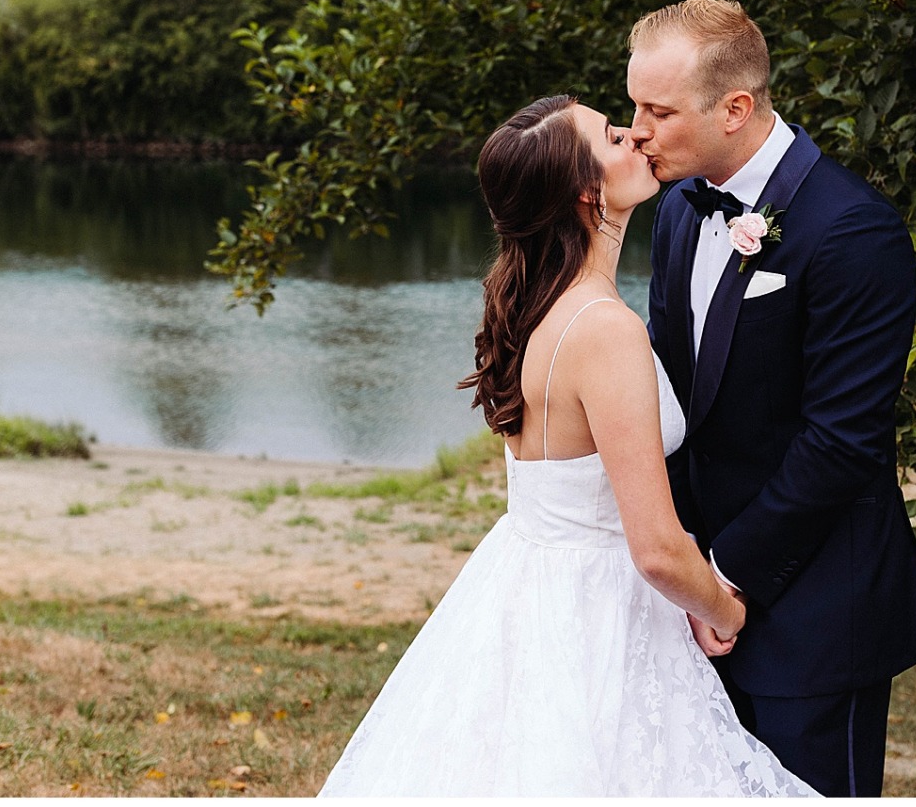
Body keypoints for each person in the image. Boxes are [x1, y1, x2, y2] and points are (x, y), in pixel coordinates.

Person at [318, 93, 816, 796]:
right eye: (616, 135)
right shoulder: (603, 329)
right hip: (601, 612)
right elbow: (656, 545)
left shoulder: (538, 306)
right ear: (588, 190)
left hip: (530, 588)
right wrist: (725, 609)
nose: (638, 135)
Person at [627, 0, 916, 798]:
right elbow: (672, 399)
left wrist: (724, 578)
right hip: (694, 609)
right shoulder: (674, 211)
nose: (636, 130)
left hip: (817, 610)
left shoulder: (853, 230)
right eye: (633, 106)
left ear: (736, 108)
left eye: (657, 110)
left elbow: (842, 441)